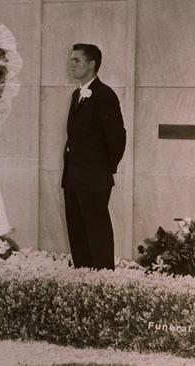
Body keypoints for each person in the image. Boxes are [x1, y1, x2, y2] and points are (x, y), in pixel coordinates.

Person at [61, 43, 126, 270]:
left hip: (94, 179)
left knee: (96, 232)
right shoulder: (76, 94)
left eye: (76, 60)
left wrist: (102, 171)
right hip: (73, 178)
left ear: (92, 64)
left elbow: (117, 138)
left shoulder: (105, 95)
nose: (71, 64)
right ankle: (83, 278)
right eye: (71, 60)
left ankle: (102, 280)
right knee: (77, 232)